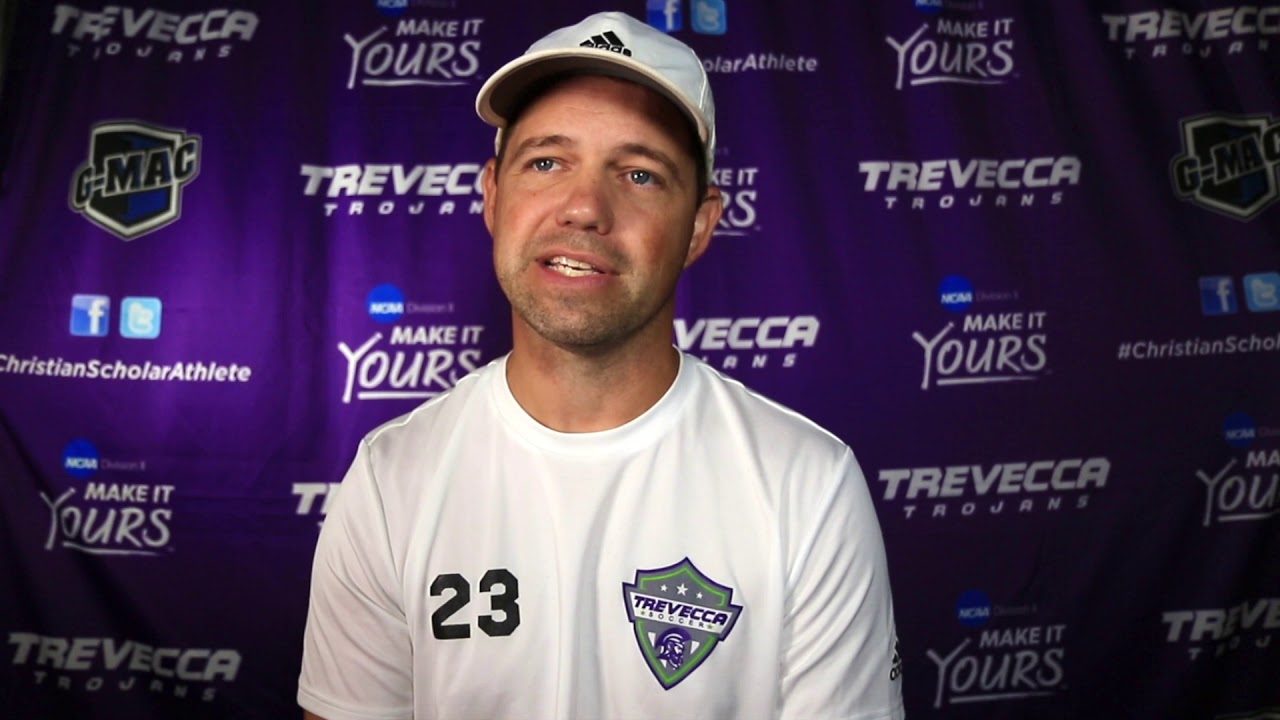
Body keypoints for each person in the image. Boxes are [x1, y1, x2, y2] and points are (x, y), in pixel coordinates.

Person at [298, 10, 904, 720]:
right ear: (492, 196)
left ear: (700, 225)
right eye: (546, 163)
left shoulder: (808, 484)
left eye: (640, 174)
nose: (585, 208)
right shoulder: (391, 479)